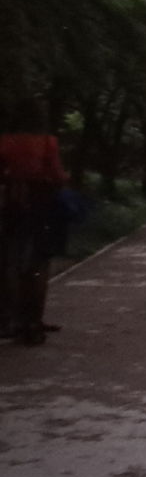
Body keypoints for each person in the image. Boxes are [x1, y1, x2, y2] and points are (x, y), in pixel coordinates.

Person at [0, 101, 69, 345]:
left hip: (11, 207)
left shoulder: (4, 141)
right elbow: (58, 176)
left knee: (10, 261)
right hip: (41, 207)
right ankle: (33, 320)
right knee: (39, 263)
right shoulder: (47, 142)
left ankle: (10, 320)